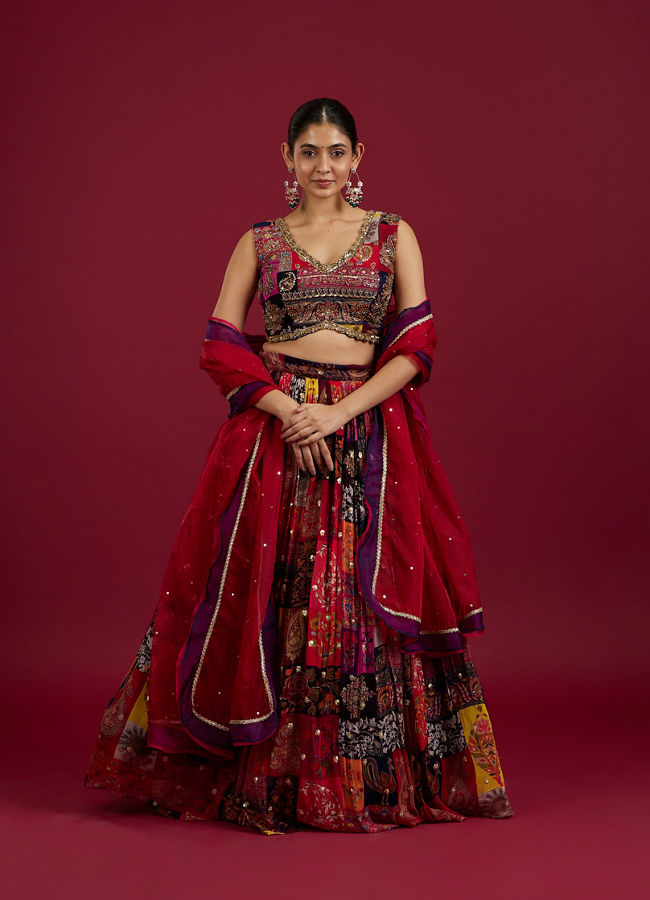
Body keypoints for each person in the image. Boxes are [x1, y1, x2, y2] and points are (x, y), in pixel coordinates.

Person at [84, 97, 513, 835]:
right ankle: (271, 777)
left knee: (354, 593)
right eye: (308, 152)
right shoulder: (260, 242)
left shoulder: (392, 234)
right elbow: (221, 343)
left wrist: (338, 414)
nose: (323, 166)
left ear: (358, 158)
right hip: (275, 432)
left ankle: (364, 780)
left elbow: (416, 349)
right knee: (268, 590)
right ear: (286, 160)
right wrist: (288, 413)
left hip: (370, 429)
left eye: (336, 151)